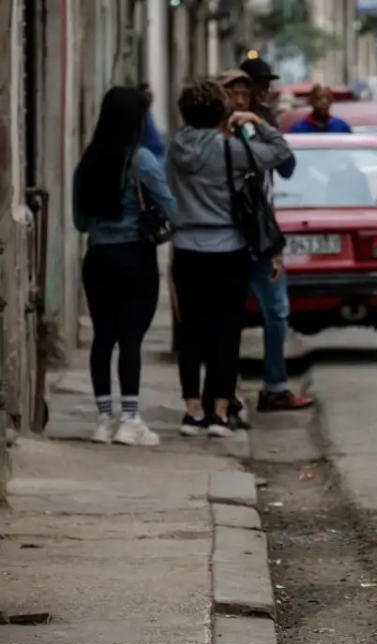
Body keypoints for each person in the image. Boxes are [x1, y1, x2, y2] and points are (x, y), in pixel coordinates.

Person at [167, 79, 293, 437]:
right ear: (222, 112)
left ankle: (192, 411)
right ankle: (219, 412)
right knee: (225, 332)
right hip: (227, 249)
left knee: (191, 332)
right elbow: (280, 152)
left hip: (187, 250)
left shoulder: (175, 148)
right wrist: (255, 120)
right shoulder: (229, 151)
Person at [73, 87, 177, 446]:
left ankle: (104, 419)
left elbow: (80, 222)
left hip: (98, 258)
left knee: (103, 337)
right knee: (131, 337)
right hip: (135, 257)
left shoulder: (87, 163)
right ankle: (130, 419)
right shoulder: (141, 160)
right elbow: (170, 207)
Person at [217, 69, 310, 414]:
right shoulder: (211, 136)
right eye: (231, 94)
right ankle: (225, 392)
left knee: (277, 314)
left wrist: (258, 125)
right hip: (225, 239)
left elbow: (287, 165)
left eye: (244, 93)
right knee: (226, 317)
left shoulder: (258, 129)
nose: (239, 100)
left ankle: (275, 386)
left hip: (260, 240)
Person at [138, 83, 167, 164]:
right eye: (147, 94)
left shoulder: (148, 114)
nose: (150, 96)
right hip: (151, 157)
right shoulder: (142, 116)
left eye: (150, 93)